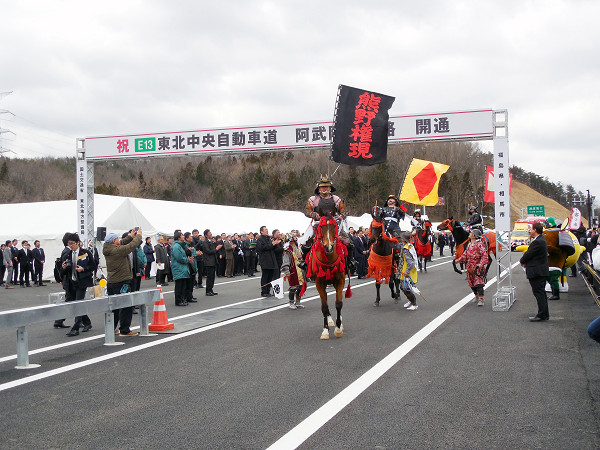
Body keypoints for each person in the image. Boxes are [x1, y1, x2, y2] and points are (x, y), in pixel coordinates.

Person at [300, 175, 355, 270]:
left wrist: (343, 215)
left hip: (334, 224)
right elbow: (306, 211)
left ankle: (350, 261)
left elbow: (345, 211)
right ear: (319, 188)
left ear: (330, 188)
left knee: (349, 242)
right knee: (306, 243)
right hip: (318, 225)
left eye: (327, 186)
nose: (325, 188)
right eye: (322, 187)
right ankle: (304, 262)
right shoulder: (313, 199)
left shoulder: (336, 199)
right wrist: (313, 214)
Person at [103, 227, 143, 336]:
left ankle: (112, 328)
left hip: (112, 282)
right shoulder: (117, 251)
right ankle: (124, 330)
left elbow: (123, 242)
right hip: (122, 282)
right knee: (126, 306)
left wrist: (131, 236)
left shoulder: (108, 248)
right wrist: (138, 235)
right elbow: (131, 246)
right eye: (117, 239)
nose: (118, 240)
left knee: (114, 307)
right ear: (113, 241)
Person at [60, 233, 94, 336]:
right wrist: (64, 268)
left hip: (82, 282)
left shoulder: (86, 253)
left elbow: (93, 265)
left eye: (72, 243)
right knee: (76, 303)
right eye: (69, 243)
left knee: (78, 303)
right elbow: (63, 273)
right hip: (71, 282)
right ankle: (87, 322)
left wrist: (83, 269)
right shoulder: (67, 254)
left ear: (78, 243)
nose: (70, 245)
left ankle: (75, 328)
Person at [520, 222, 550, 322]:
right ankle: (544, 314)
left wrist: (522, 261)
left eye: (531, 229)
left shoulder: (537, 242)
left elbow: (528, 254)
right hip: (540, 271)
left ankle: (541, 314)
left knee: (539, 293)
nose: (530, 231)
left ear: (535, 230)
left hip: (537, 271)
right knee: (541, 293)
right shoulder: (541, 240)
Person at [455, 229, 489, 306]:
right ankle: (476, 296)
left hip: (477, 267)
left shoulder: (480, 244)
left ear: (474, 235)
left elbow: (484, 255)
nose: (469, 234)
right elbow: (465, 255)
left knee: (478, 283)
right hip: (470, 266)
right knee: (471, 283)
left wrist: (481, 264)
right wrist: (458, 260)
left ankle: (481, 298)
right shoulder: (469, 244)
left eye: (471, 233)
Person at [389, 231, 419, 310]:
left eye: (401, 238)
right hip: (403, 269)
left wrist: (407, 272)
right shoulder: (404, 245)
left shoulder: (406, 249)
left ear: (404, 239)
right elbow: (396, 246)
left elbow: (411, 263)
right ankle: (410, 300)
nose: (400, 239)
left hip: (408, 270)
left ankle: (414, 304)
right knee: (402, 287)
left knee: (406, 288)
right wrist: (387, 239)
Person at [281, 233, 306, 309]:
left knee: (300, 287)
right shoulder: (287, 251)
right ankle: (291, 303)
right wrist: (287, 272)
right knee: (293, 287)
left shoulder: (296, 248)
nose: (294, 241)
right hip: (292, 271)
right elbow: (285, 263)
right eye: (293, 240)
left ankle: (298, 302)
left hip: (299, 271)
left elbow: (300, 258)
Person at [256, 225, 281, 297]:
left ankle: (268, 290)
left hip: (271, 260)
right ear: (261, 232)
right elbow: (261, 249)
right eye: (265, 230)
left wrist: (276, 244)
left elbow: (272, 248)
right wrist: (272, 244)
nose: (267, 231)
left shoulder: (269, 239)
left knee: (270, 276)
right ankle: (264, 291)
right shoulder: (260, 239)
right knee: (265, 276)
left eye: (267, 229)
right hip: (265, 260)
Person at [171, 231, 192, 306]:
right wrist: (187, 260)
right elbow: (179, 258)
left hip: (182, 268)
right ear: (179, 237)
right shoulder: (176, 246)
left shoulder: (180, 246)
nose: (183, 237)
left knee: (183, 285)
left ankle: (182, 299)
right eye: (182, 235)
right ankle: (178, 301)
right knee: (179, 285)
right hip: (178, 268)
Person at [201, 229, 222, 296]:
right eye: (209, 233)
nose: (211, 234)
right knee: (209, 277)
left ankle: (211, 289)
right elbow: (208, 251)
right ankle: (208, 290)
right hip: (208, 261)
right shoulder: (205, 242)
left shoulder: (211, 242)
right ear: (206, 235)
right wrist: (216, 249)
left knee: (212, 276)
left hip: (213, 261)